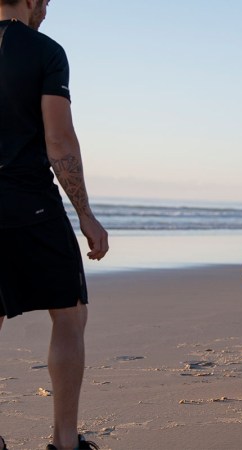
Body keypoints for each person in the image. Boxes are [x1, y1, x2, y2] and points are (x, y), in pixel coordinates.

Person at [0, 1, 108, 448]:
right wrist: (85, 214)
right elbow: (59, 137)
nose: (47, 7)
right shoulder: (44, 51)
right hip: (28, 203)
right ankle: (65, 442)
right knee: (68, 313)